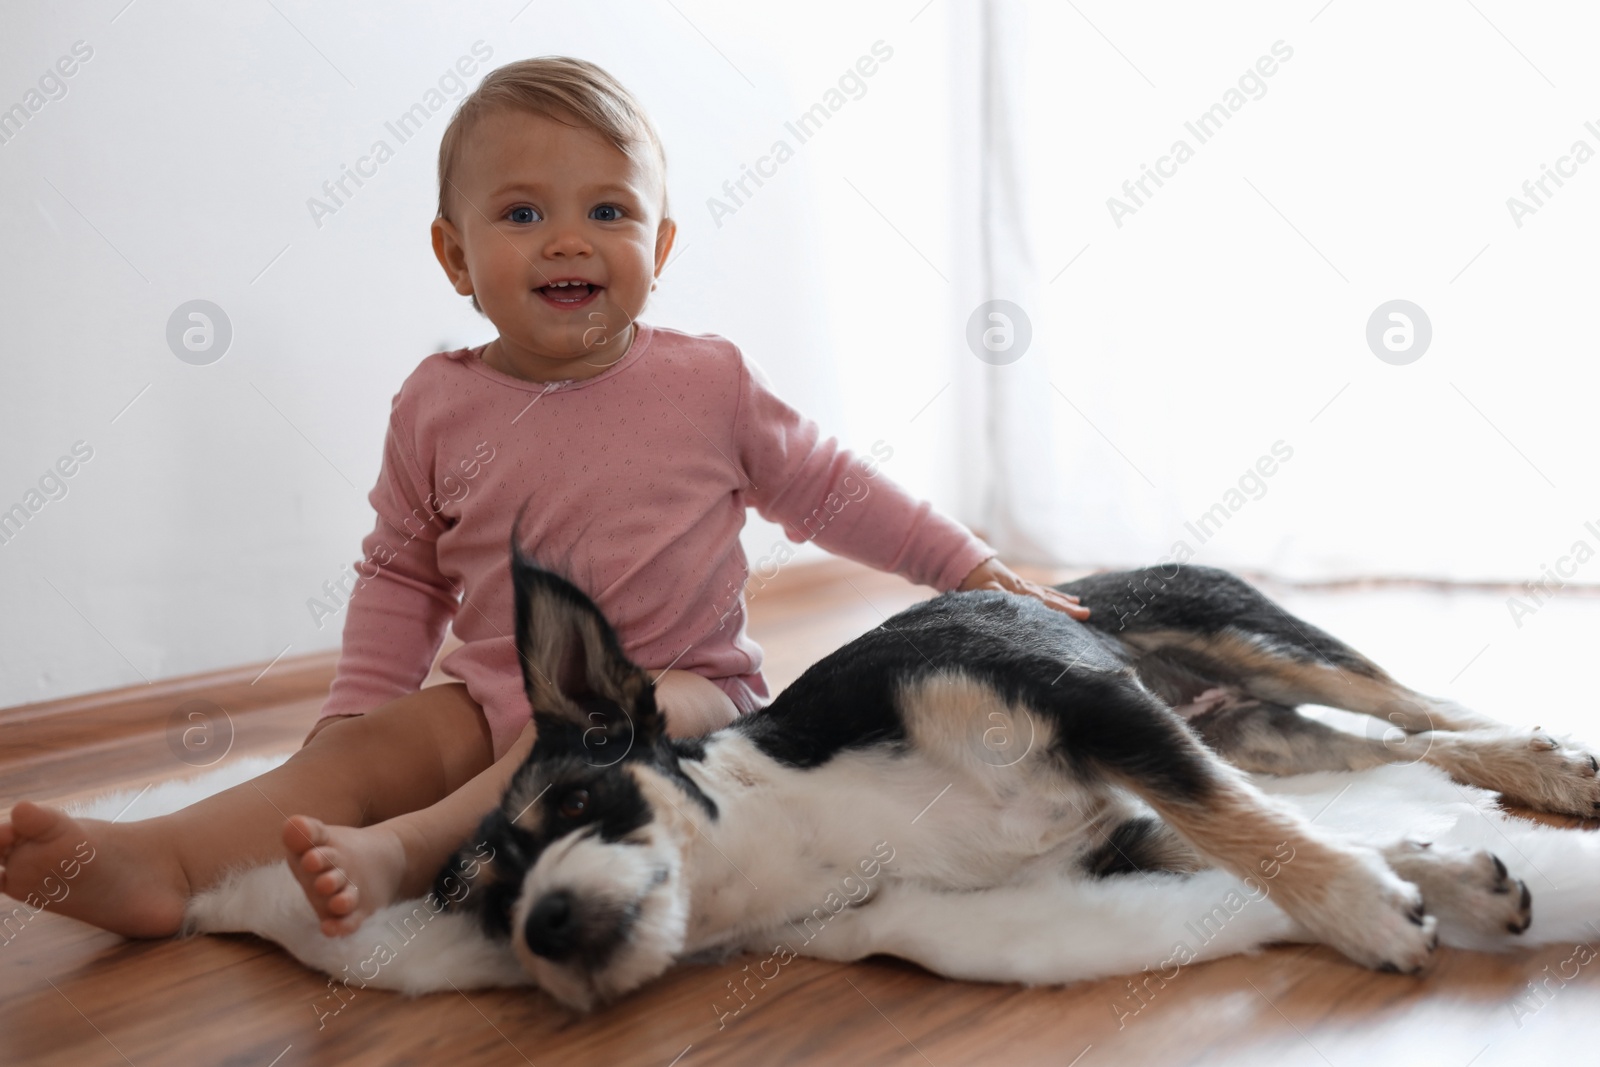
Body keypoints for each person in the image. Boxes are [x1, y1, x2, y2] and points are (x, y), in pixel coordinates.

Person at [0, 56, 1087, 939]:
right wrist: (357, 716)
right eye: (522, 213)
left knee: (604, 716)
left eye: (607, 210)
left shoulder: (707, 383)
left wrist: (966, 563)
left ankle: (413, 850)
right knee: (354, 759)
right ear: (454, 255)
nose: (568, 238)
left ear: (656, 247)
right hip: (487, 694)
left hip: (683, 697)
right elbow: (400, 570)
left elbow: (833, 487)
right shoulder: (436, 402)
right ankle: (162, 858)